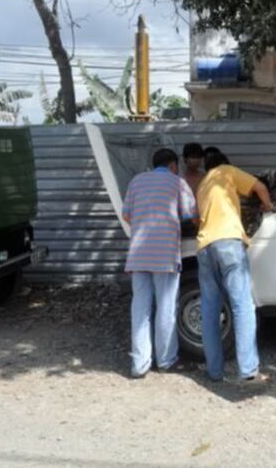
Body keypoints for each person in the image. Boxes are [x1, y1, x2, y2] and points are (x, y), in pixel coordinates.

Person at [196, 151, 274, 383]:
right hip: (228, 242)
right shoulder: (227, 171)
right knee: (243, 306)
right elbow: (259, 186)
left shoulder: (202, 185)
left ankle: (214, 371)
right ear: (225, 164)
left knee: (210, 312)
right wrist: (268, 206)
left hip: (204, 247)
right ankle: (249, 372)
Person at [122, 148, 197, 378]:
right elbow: (190, 217)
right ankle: (165, 360)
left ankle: (140, 364)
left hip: (138, 255)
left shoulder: (136, 181)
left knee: (140, 309)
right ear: (173, 165)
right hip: (165, 256)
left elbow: (126, 215)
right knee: (165, 307)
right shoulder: (178, 183)